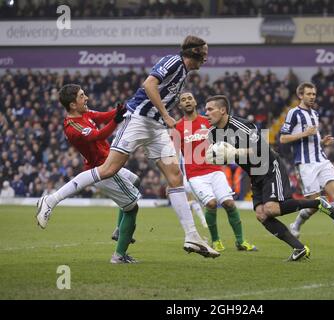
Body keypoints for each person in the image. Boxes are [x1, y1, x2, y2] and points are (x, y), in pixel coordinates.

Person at [36, 35, 219, 259]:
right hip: (138, 119)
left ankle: (192, 235)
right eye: (205, 54)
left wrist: (160, 118)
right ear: (196, 53)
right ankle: (51, 200)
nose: (206, 59)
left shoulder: (184, 72)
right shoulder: (173, 62)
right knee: (108, 170)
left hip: (156, 127)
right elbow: (149, 84)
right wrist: (165, 114)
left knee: (175, 175)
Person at [205, 95, 334, 261]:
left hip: (269, 166)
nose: (207, 113)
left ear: (223, 110)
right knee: (261, 214)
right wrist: (218, 158)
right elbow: (222, 156)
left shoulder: (243, 125)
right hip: (254, 175)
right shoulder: (212, 134)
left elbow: (260, 148)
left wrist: (236, 152)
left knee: (271, 209)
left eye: (210, 109)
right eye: (206, 110)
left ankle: (318, 203)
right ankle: (299, 249)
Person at [50, 84, 141, 264]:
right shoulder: (72, 126)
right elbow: (98, 135)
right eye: (82, 96)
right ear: (73, 104)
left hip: (107, 162)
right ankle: (119, 256)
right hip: (103, 169)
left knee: (135, 181)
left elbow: (102, 116)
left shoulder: (83, 113)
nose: (87, 98)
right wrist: (116, 120)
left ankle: (118, 230)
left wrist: (119, 110)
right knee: (133, 207)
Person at [279, 82, 334, 249]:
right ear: (300, 95)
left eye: (314, 94)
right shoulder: (293, 113)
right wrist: (305, 133)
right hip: (305, 165)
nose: (312, 97)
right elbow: (282, 138)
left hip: (321, 160)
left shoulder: (315, 114)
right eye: (309, 94)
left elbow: (312, 141)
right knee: (316, 204)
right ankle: (295, 226)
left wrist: (322, 142)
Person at [175, 92, 257, 252]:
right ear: (180, 106)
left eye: (190, 98)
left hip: (215, 170)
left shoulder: (208, 121)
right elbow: (174, 154)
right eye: (183, 100)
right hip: (195, 175)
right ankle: (216, 241)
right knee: (211, 204)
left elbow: (225, 139)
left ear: (195, 101)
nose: (187, 101)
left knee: (229, 203)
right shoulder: (177, 127)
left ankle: (241, 242)